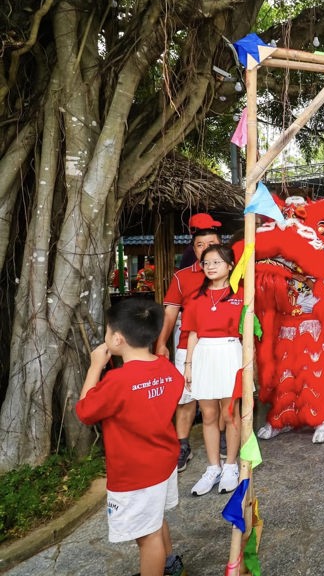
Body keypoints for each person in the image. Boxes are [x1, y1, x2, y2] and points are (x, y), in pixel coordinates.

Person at [75, 298, 185, 576]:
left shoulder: (117, 381)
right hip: (163, 463)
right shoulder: (168, 369)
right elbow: (169, 391)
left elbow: (85, 411)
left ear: (117, 338)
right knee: (155, 516)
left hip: (135, 473)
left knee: (146, 538)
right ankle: (170, 565)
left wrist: (94, 367)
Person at [156, 226, 222, 473]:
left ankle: (223, 437)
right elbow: (170, 312)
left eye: (211, 243)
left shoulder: (232, 272)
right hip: (187, 346)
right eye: (200, 245)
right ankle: (182, 445)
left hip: (222, 345)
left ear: (220, 244)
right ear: (193, 249)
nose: (205, 249)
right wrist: (161, 343)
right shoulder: (182, 276)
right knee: (185, 398)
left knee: (222, 395)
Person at [183, 245, 245, 496]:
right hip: (204, 355)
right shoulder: (195, 298)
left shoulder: (241, 295)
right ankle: (213, 467)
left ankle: (231, 465)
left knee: (230, 413)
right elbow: (192, 334)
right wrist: (188, 365)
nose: (210, 267)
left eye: (217, 262)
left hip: (231, 352)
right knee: (208, 414)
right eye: (206, 263)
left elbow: (249, 333)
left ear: (230, 265)